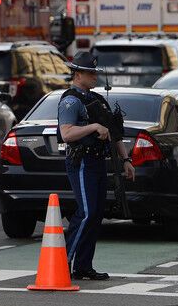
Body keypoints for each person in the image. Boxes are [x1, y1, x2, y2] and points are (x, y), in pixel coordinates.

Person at [57, 51, 135, 281]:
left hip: (98, 161)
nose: (94, 76)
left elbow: (115, 132)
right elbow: (67, 133)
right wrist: (93, 128)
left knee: (96, 214)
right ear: (78, 74)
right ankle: (63, 263)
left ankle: (83, 266)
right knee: (87, 212)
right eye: (90, 72)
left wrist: (126, 160)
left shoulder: (97, 99)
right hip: (82, 161)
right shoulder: (71, 101)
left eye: (95, 72)